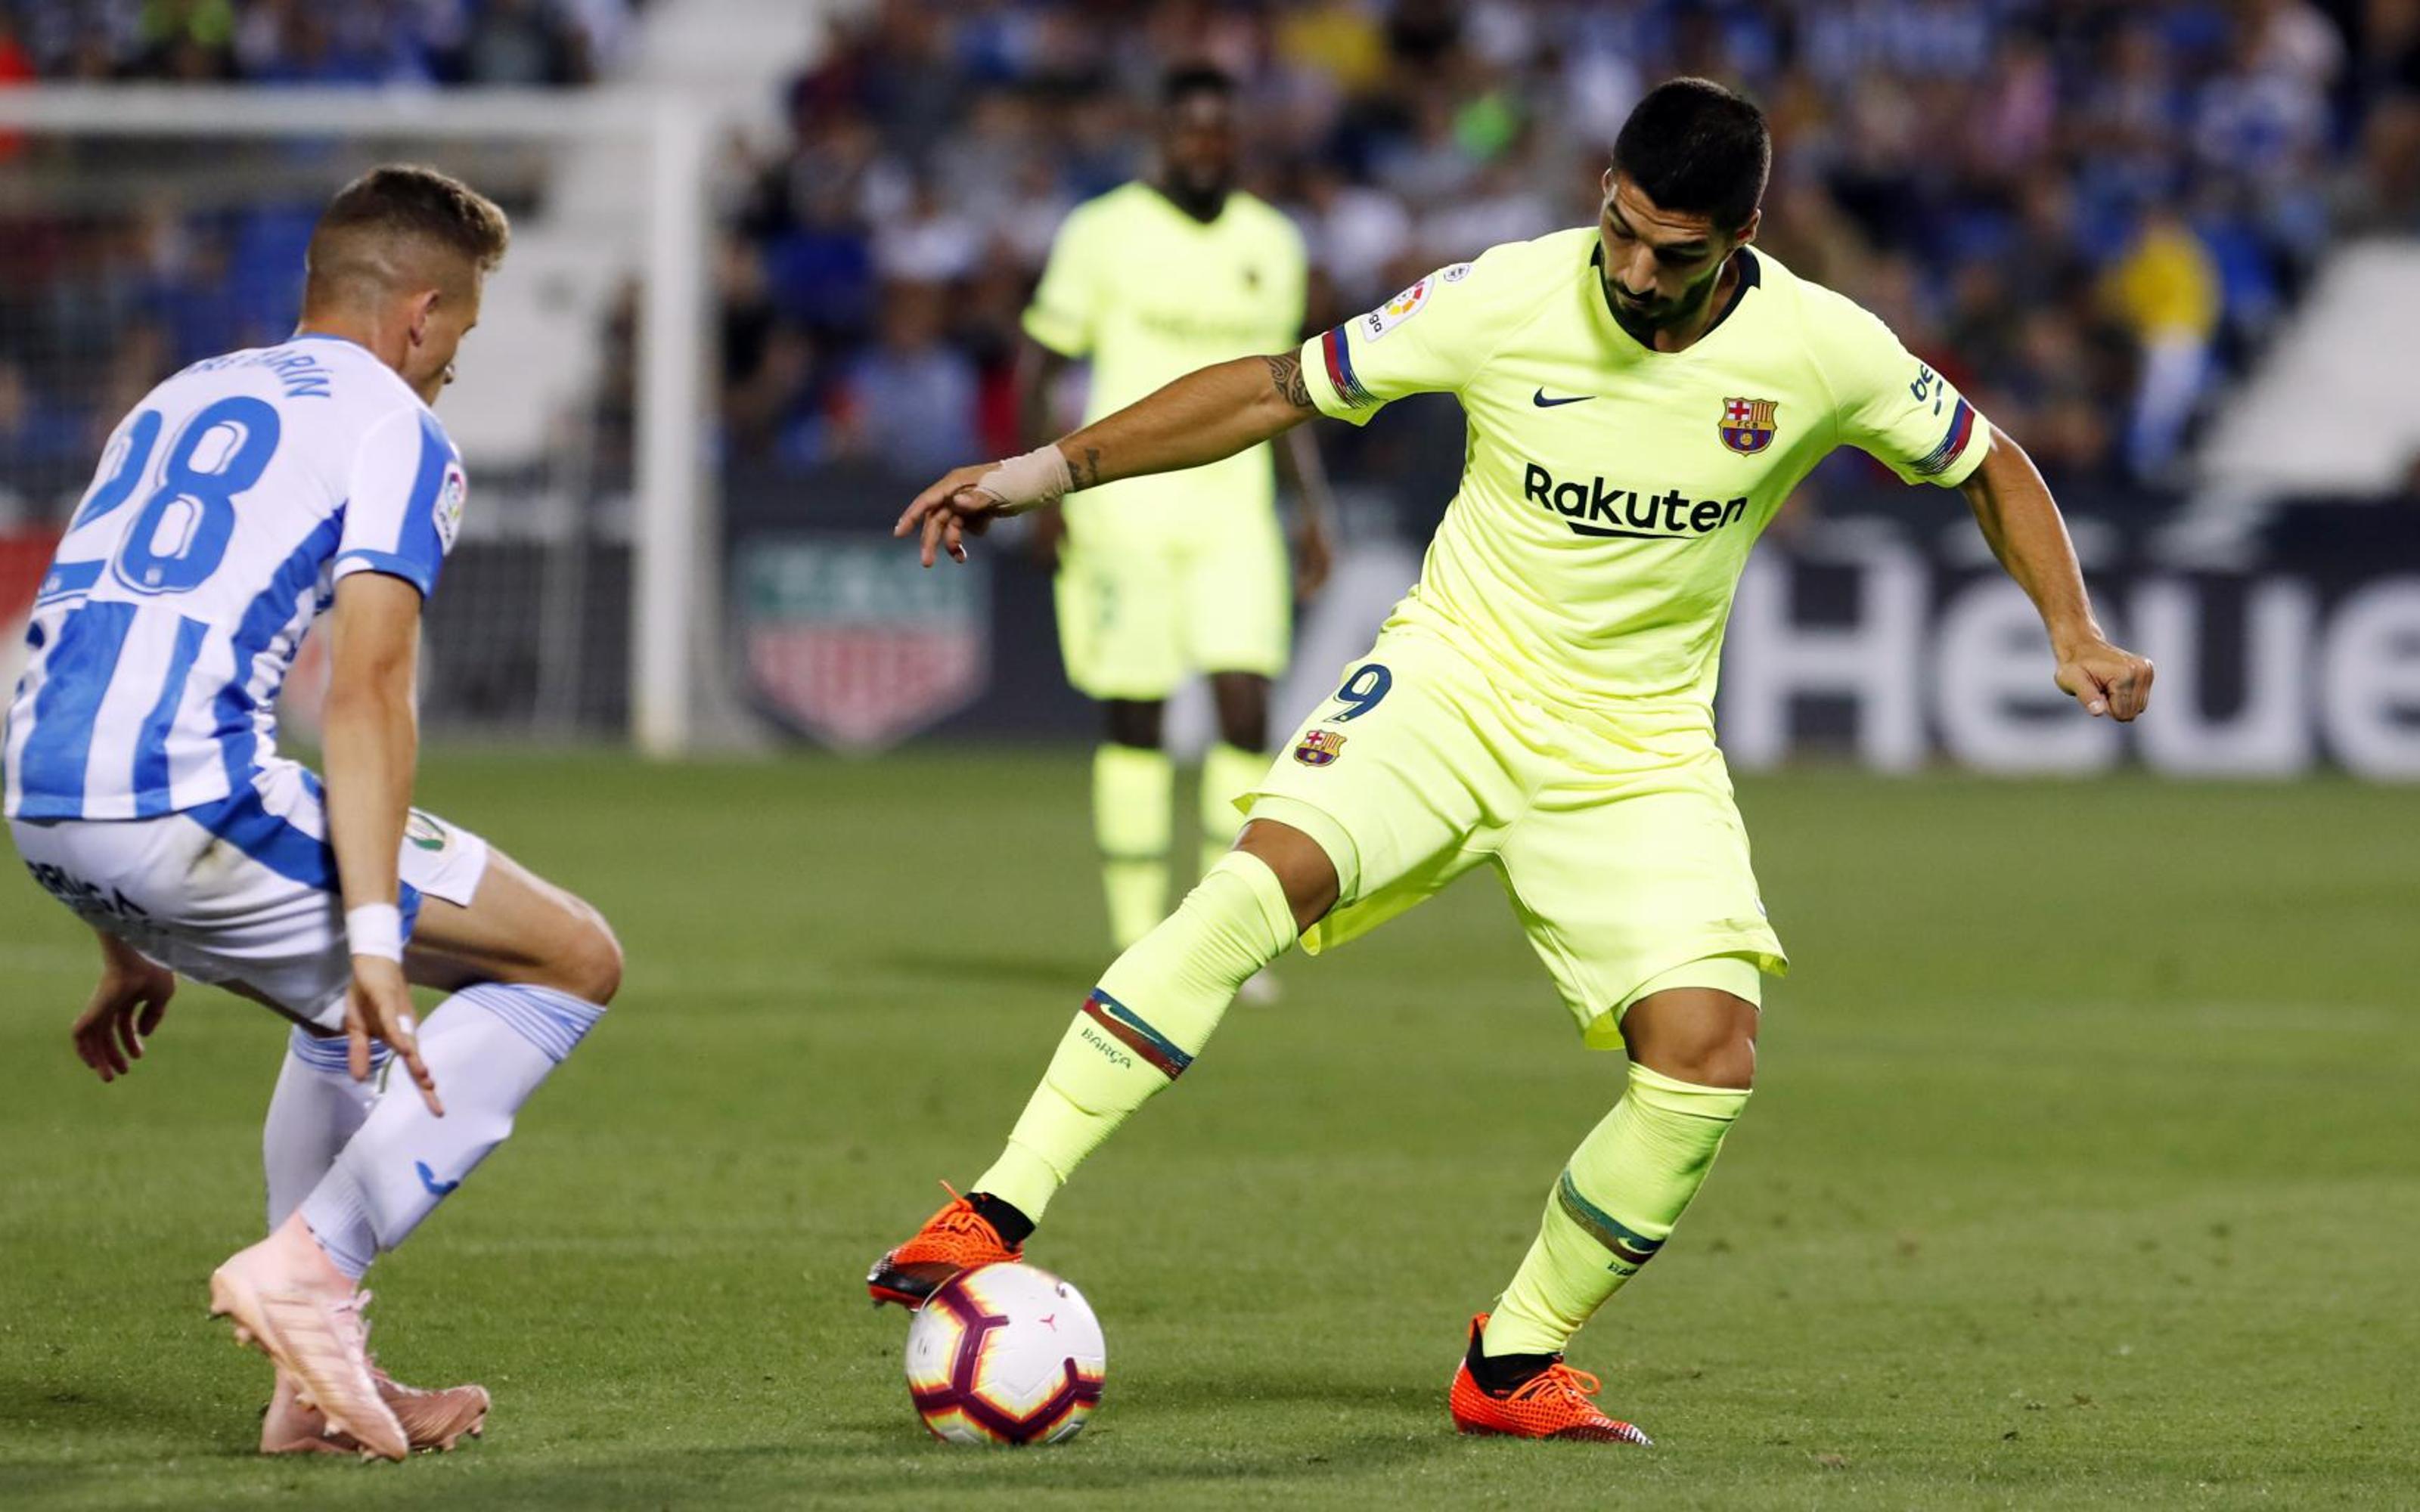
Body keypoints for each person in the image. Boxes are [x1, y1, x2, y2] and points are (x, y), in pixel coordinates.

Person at [870, 78, 2154, 1442]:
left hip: (1636, 747)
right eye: (1622, 231)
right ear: (1602, 190)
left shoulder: (1823, 349)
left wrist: (2069, 626)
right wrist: (1048, 470)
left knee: (1707, 1060)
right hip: (1452, 682)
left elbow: (1989, 462)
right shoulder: (1499, 296)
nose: (1637, 272)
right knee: (1260, 881)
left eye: (1678, 253)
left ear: (1748, 232)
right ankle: (991, 1210)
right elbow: (1270, 389)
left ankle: (1512, 1360)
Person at [3, 165, 623, 1461]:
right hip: (188, 790)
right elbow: (372, 686)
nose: (453, 360)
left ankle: (309, 1386)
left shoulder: (178, 398)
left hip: (42, 797)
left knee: (340, 1008)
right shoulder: (397, 427)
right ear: (418, 311)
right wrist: (385, 937)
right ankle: (315, 1272)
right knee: (569, 961)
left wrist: (124, 937)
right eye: (459, 328)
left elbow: (84, 638)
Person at [1018, 64, 1336, 964]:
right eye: (1191, 129)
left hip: (1234, 509)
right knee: (1136, 717)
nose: (1206, 145)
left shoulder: (1272, 242)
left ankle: (1221, 933)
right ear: (1163, 133)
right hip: (1124, 506)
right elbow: (1040, 362)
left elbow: (1288, 391)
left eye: (1220, 131)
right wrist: (1041, 488)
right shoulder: (1101, 231)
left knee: (1244, 709)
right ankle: (1132, 936)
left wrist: (1312, 509)